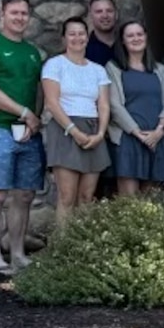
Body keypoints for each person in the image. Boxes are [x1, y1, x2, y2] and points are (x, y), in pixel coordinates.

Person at [0, 0, 44, 275]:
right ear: (1, 15)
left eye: (24, 13)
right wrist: (25, 113)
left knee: (25, 195)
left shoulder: (32, 51)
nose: (20, 18)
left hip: (28, 131)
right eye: (14, 12)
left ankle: (17, 253)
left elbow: (38, 91)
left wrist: (33, 119)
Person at [41, 16, 111, 225]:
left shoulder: (98, 69)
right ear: (64, 38)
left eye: (81, 33)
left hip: (93, 130)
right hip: (65, 129)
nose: (77, 38)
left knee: (87, 198)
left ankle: (83, 250)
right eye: (72, 33)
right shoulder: (54, 65)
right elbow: (52, 103)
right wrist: (74, 131)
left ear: (87, 38)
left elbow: (104, 104)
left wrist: (100, 133)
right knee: (67, 196)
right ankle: (63, 251)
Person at [106, 21, 164, 194]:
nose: (136, 38)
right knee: (129, 202)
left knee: (151, 203)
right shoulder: (113, 68)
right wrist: (138, 134)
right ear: (122, 41)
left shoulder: (160, 69)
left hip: (157, 139)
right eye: (130, 35)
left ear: (146, 37)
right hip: (128, 139)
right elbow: (114, 105)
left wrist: (159, 131)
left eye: (139, 34)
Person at [85, 0, 117, 66]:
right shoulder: (83, 51)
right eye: (99, 11)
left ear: (116, 14)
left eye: (109, 11)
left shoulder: (129, 45)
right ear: (91, 15)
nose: (105, 16)